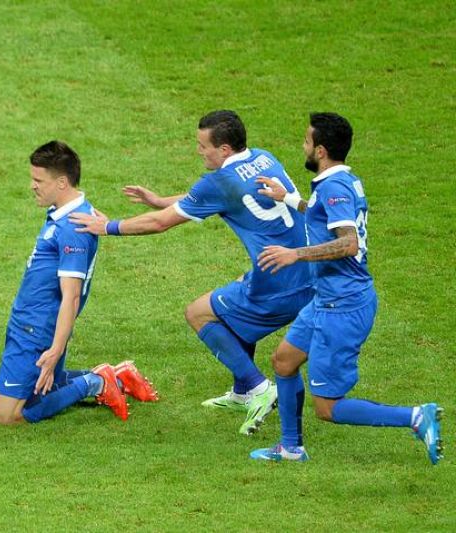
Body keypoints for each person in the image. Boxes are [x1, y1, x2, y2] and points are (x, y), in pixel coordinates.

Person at [70, 110, 314, 435]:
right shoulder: (262, 158)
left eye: (203, 146)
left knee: (199, 313)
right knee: (233, 303)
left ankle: (259, 388)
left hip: (280, 280)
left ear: (224, 149)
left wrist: (108, 226)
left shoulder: (220, 182)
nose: (199, 151)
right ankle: (242, 391)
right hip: (310, 270)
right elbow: (206, 197)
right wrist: (160, 200)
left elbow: (161, 223)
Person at [249, 112, 443, 463]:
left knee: (327, 407)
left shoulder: (334, 188)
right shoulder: (340, 181)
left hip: (343, 305)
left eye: (306, 141)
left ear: (320, 150)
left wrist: (295, 254)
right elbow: (321, 215)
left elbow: (348, 243)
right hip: (327, 299)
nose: (303, 146)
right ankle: (291, 448)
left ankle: (415, 416)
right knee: (283, 361)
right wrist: (288, 199)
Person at [0, 140, 158, 426]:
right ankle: (117, 376)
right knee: (42, 388)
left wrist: (55, 349)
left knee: (6, 416)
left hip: (37, 328)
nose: (32, 186)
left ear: (62, 182)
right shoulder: (68, 213)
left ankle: (97, 382)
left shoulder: (72, 228)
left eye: (38, 180)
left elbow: (72, 296)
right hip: (28, 321)